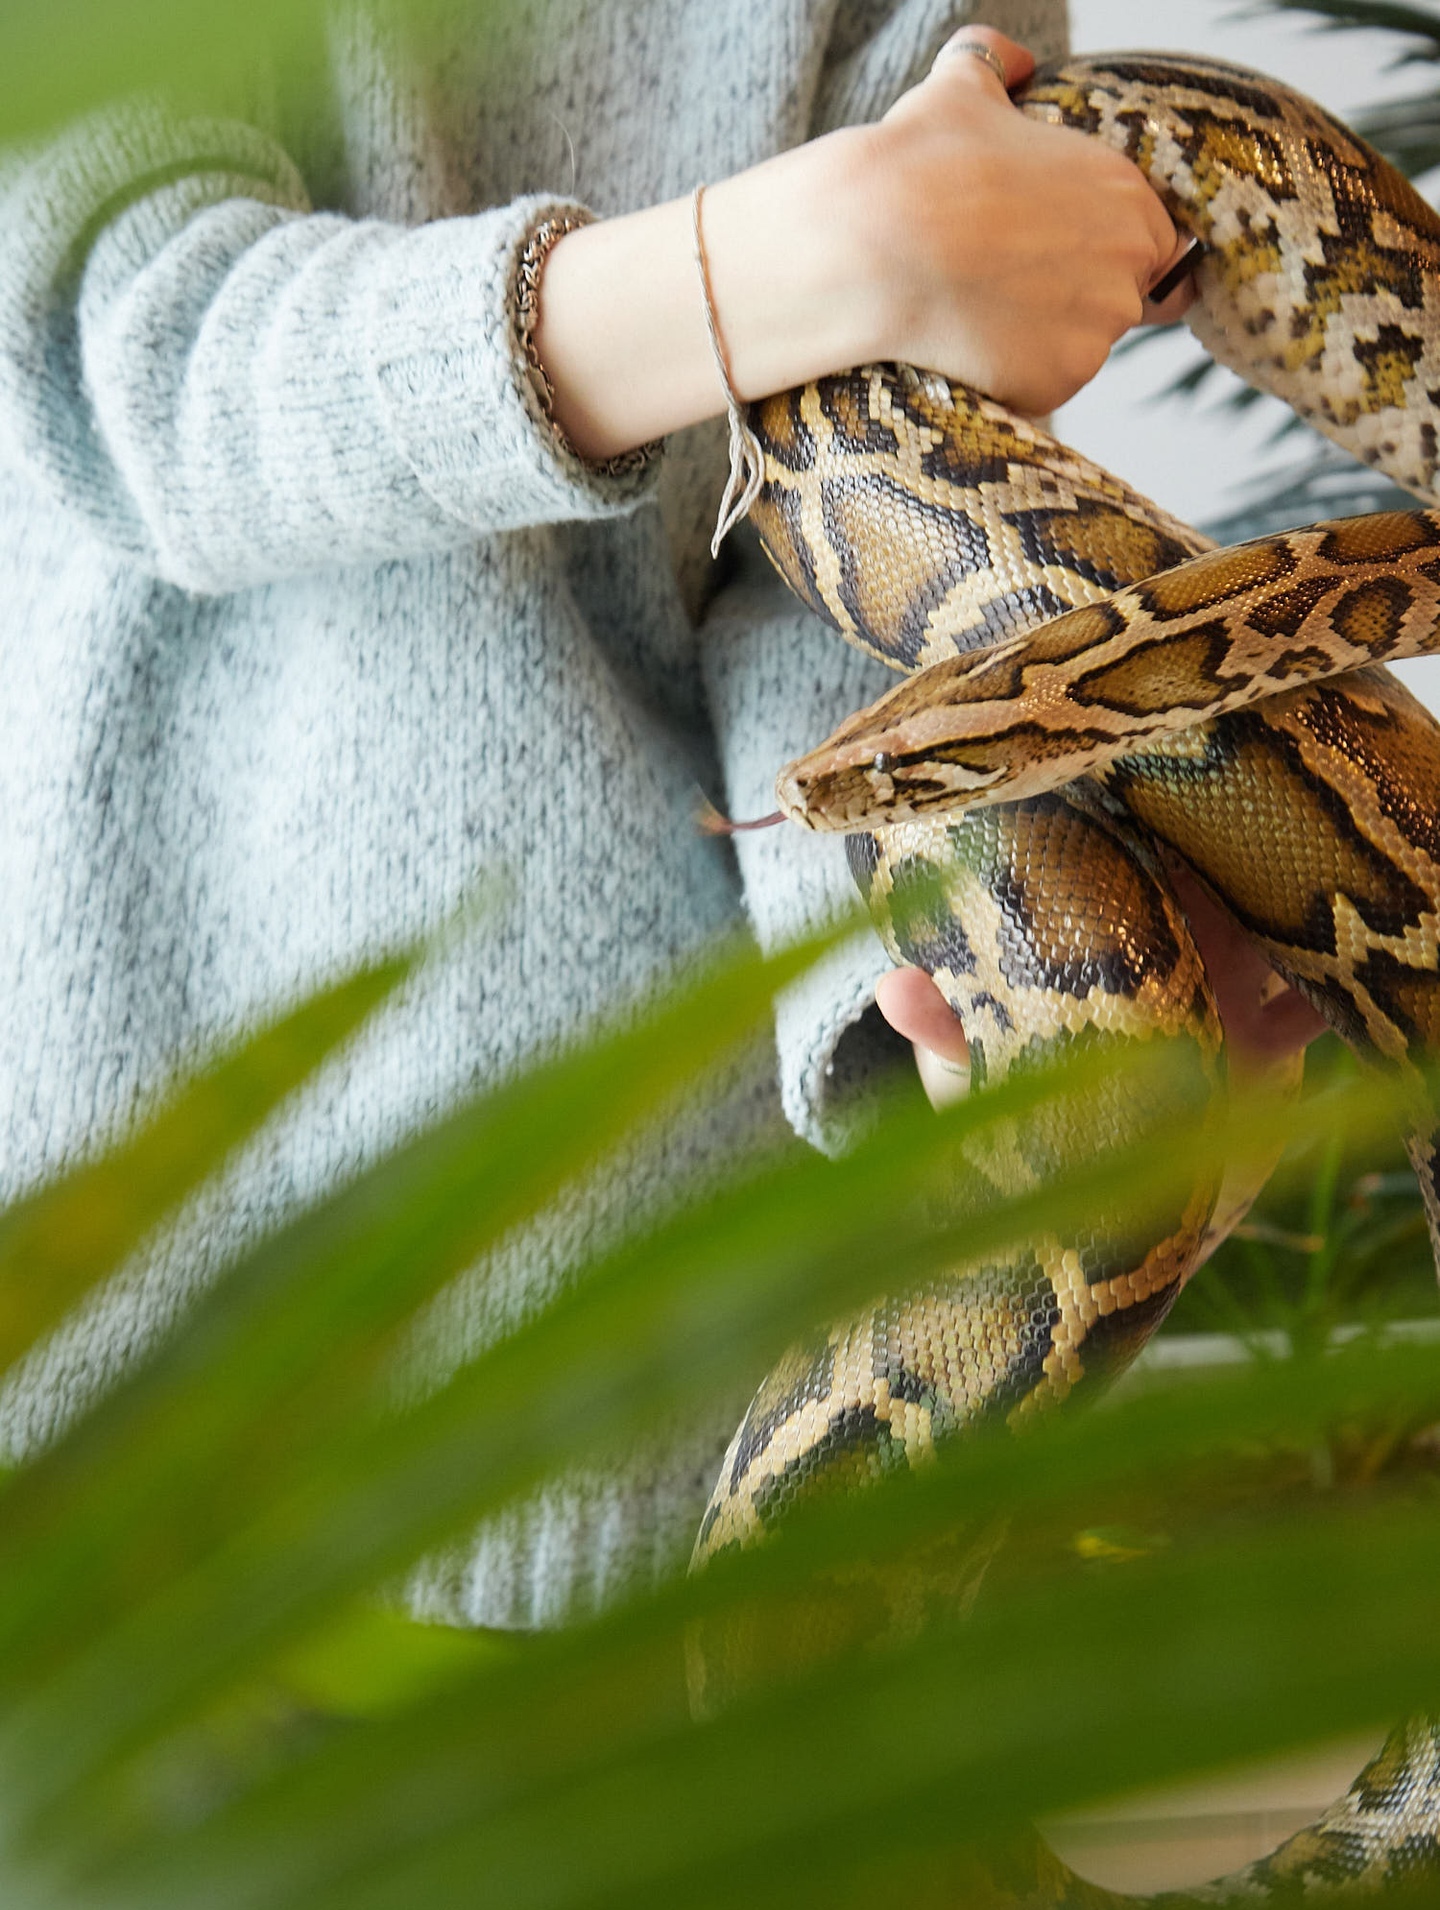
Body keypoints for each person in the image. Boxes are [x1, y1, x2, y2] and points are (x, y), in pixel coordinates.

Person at [0, 0, 1316, 1626]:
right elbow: (146, 369)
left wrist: (920, 1006)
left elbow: (837, 557)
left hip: (633, 1394)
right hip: (97, 1307)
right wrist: (812, 249)